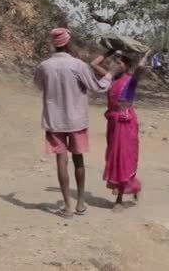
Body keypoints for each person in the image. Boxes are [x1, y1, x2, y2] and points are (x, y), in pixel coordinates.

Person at [34, 28, 117, 219]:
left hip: (54, 120)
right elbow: (96, 87)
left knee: (61, 161)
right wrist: (109, 75)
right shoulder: (78, 65)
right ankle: (80, 202)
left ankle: (67, 206)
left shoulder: (44, 66)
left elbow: (39, 85)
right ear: (68, 43)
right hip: (76, 120)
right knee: (78, 159)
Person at [91, 50, 151, 212]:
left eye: (119, 63)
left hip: (126, 123)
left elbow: (139, 69)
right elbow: (93, 64)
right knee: (113, 158)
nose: (115, 65)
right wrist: (109, 50)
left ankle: (119, 200)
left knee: (124, 160)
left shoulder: (131, 80)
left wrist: (145, 56)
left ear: (127, 65)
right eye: (114, 62)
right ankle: (133, 187)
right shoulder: (110, 79)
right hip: (113, 123)